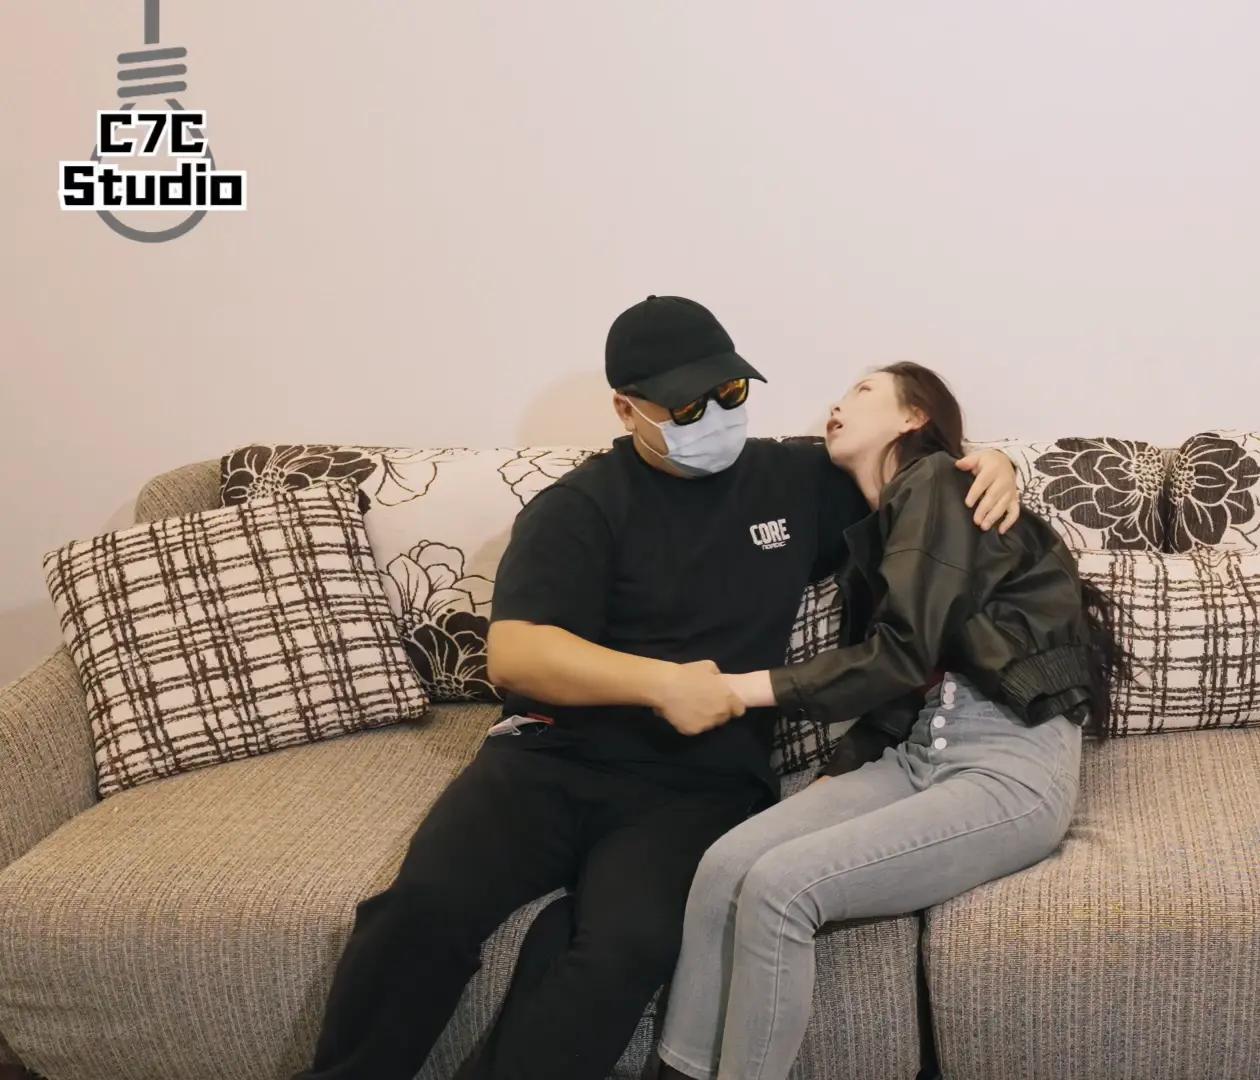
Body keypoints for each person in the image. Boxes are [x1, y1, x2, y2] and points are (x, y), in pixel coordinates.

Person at [293, 298, 1024, 1080]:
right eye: (686, 406)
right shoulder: (581, 505)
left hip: (697, 783)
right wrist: (659, 682)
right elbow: (516, 653)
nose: (715, 416)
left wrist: (987, 463)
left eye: (729, 394)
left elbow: (909, 477)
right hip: (548, 760)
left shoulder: (796, 481)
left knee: (628, 946)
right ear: (626, 409)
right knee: (421, 911)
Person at [654, 362, 1107, 1080]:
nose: (837, 405)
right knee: (726, 867)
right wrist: (835, 779)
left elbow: (900, 657)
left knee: (779, 889)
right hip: (920, 753)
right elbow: (897, 693)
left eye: (863, 391)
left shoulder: (937, 481)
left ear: (912, 417)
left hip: (1007, 764)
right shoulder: (880, 528)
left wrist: (739, 690)